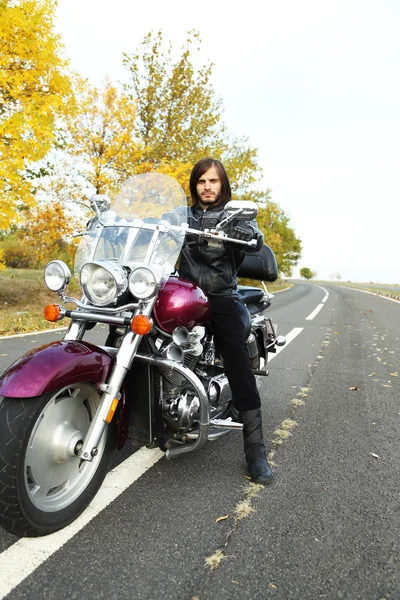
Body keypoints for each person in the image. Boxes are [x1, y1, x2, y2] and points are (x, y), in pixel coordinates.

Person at [178, 157, 273, 484]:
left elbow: (254, 237)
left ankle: (256, 448)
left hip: (220, 297)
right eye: (201, 181)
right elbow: (154, 229)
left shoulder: (233, 216)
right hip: (183, 294)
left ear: (222, 185)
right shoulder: (182, 215)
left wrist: (243, 231)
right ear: (194, 184)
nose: (206, 186)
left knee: (236, 363)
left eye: (213, 181)